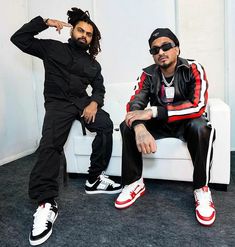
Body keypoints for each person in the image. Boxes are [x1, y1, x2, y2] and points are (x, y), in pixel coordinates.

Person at [11, 7, 121, 246]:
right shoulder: (53, 48)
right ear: (73, 30)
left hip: (82, 104)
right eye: (80, 30)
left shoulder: (93, 65)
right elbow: (18, 39)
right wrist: (46, 21)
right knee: (50, 144)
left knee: (105, 123)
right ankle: (46, 202)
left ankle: (94, 179)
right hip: (58, 104)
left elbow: (99, 88)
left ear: (92, 38)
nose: (84, 35)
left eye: (89, 34)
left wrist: (94, 102)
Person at [114, 28, 216, 226]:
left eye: (166, 46)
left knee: (201, 126)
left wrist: (154, 112)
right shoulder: (148, 74)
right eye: (155, 50)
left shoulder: (193, 68)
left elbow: (198, 105)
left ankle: (201, 189)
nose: (160, 52)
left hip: (187, 122)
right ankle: (134, 183)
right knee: (127, 125)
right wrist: (140, 128)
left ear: (177, 49)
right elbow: (134, 105)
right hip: (161, 125)